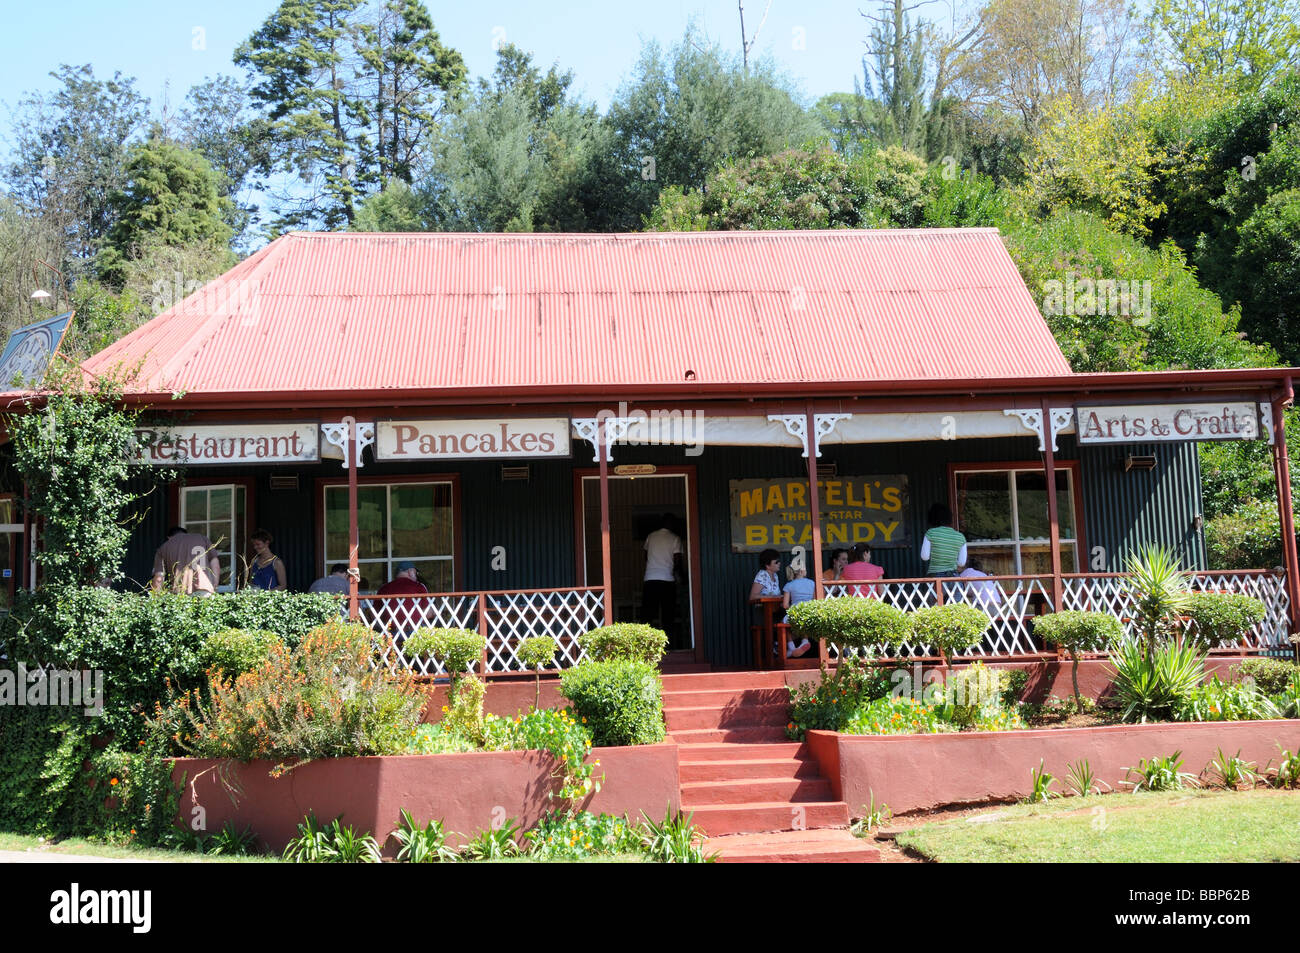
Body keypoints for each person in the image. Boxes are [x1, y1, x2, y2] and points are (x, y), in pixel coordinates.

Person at [641, 514, 683, 639]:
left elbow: (646, 555)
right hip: (667, 581)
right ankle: (667, 644)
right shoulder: (675, 538)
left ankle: (646, 644)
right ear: (671, 524)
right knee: (668, 616)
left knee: (648, 615)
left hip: (650, 579)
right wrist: (680, 575)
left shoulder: (651, 536)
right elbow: (677, 560)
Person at [151, 526, 220, 595]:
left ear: (169, 537)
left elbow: (159, 577)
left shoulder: (164, 547)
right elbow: (215, 563)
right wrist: (215, 585)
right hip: (204, 588)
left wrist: (155, 599)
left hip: (181, 591)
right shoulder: (202, 538)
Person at [921, 503, 968, 577]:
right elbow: (961, 563)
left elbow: (925, 557)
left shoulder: (930, 533)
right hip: (954, 578)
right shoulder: (960, 537)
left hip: (936, 578)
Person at [379, 560, 429, 629]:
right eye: (415, 572)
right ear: (410, 572)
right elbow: (428, 613)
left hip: (390, 633)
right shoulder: (419, 587)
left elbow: (375, 614)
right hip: (414, 632)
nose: (416, 576)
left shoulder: (384, 588)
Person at [781, 564, 815, 657]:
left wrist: (791, 609)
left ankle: (791, 647)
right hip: (810, 613)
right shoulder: (812, 583)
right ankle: (804, 641)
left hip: (795, 612)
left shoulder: (789, 585)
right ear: (801, 571)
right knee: (804, 621)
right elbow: (815, 600)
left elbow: (785, 605)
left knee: (784, 624)